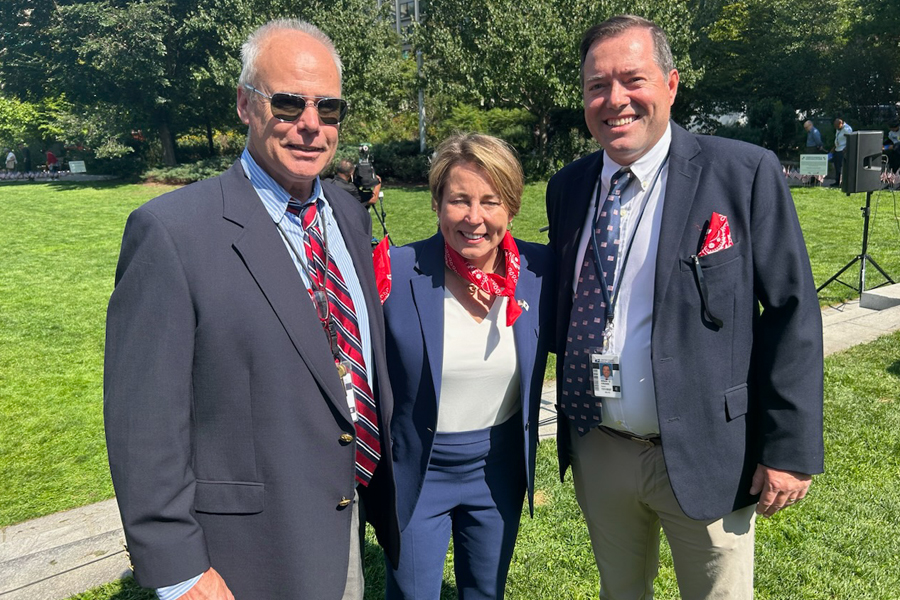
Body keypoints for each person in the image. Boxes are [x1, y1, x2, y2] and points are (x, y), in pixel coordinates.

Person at [104, 19, 399, 600]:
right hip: (244, 559)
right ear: (245, 103)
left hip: (346, 524)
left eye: (328, 108)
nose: (311, 125)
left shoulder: (347, 212)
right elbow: (145, 425)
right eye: (288, 103)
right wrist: (179, 571)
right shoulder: (171, 233)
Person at [546, 15, 824, 599]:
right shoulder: (569, 187)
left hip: (707, 450)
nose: (615, 100)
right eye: (598, 85)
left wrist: (790, 449)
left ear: (671, 85)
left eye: (633, 80)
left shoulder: (742, 172)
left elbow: (793, 309)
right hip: (601, 448)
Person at [382, 133, 554, 599]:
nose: (474, 218)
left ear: (512, 208)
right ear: (437, 203)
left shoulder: (539, 273)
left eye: (490, 202)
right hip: (419, 469)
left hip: (497, 468)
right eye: (459, 200)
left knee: (485, 591)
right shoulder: (395, 270)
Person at [831, 116, 852, 187]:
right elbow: (838, 139)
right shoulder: (839, 129)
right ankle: (837, 182)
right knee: (837, 167)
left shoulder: (847, 129)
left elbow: (851, 140)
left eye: (837, 126)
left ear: (841, 123)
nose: (836, 127)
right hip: (837, 149)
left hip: (843, 151)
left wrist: (845, 149)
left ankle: (843, 182)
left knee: (841, 167)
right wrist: (834, 148)